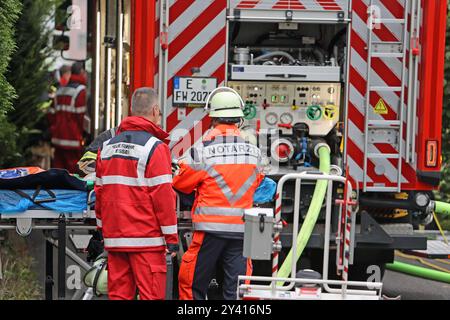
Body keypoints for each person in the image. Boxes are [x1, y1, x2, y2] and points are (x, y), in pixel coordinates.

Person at [174, 87, 264, 300]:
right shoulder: (254, 152)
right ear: (239, 119)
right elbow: (258, 181)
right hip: (243, 231)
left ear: (212, 118)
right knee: (237, 290)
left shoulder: (202, 151)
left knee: (192, 284)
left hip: (209, 231)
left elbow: (181, 182)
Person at [95, 87, 179, 300]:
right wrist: (171, 238)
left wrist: (102, 228)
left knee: (119, 297)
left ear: (131, 110)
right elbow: (163, 197)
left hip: (116, 240)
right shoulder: (155, 147)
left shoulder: (106, 147)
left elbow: (100, 192)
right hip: (146, 241)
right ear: (155, 110)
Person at [48, 62, 87, 173]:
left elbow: (51, 114)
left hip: (58, 139)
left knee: (58, 171)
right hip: (73, 139)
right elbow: (81, 117)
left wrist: (54, 129)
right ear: (82, 72)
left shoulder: (60, 90)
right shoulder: (81, 90)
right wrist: (82, 135)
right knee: (73, 173)